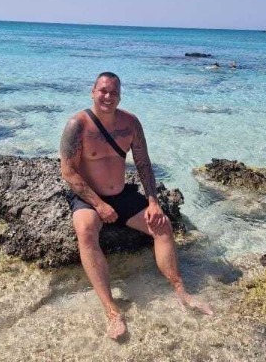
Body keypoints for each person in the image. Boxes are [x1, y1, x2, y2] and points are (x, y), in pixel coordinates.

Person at [60, 72, 213, 340]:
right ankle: (112, 311)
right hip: (88, 196)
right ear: (93, 92)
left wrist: (153, 201)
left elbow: (143, 163)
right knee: (86, 231)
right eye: (103, 91)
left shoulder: (130, 123)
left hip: (121, 194)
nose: (108, 96)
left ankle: (181, 291)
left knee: (162, 226)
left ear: (120, 96)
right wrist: (99, 205)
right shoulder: (77, 125)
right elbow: (68, 172)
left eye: (114, 92)